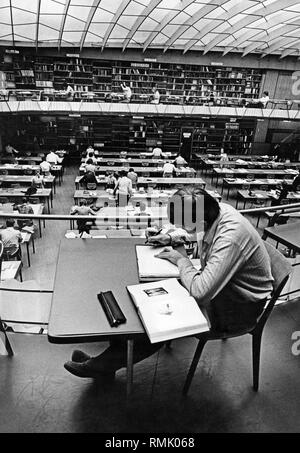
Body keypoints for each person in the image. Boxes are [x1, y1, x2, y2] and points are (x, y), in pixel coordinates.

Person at [64, 187, 274, 380]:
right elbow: (192, 231)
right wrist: (169, 236)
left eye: (183, 224)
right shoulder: (216, 210)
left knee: (162, 319)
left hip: (237, 307)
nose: (182, 228)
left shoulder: (231, 238)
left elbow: (201, 292)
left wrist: (181, 260)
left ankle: (101, 367)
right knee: (144, 302)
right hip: (223, 289)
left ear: (201, 222)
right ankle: (105, 363)